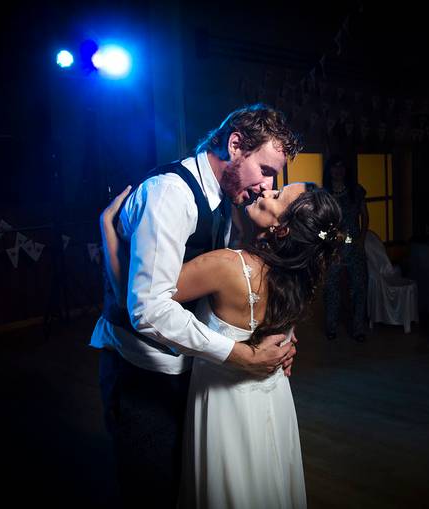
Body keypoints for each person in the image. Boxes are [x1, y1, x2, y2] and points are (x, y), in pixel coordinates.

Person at [89, 104, 302, 508]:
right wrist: (238, 354)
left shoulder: (226, 199)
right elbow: (148, 309)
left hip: (191, 372)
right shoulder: (171, 195)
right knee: (152, 491)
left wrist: (278, 339)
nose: (267, 186)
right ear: (235, 145)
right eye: (265, 170)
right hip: (146, 377)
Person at [102, 182, 343, 508]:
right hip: (273, 400)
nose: (266, 191)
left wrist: (108, 231)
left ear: (282, 229)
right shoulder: (299, 276)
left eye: (277, 196)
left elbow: (140, 301)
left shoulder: (226, 266)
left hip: (224, 406)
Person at [322, 154, 370, 341]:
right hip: (333, 247)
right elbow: (318, 223)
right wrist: (326, 241)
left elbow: (365, 216)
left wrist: (362, 239)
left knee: (359, 286)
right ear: (329, 170)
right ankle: (331, 327)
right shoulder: (324, 194)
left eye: (341, 166)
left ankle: (358, 329)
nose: (338, 170)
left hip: (355, 245)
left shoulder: (356, 191)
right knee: (331, 287)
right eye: (335, 166)